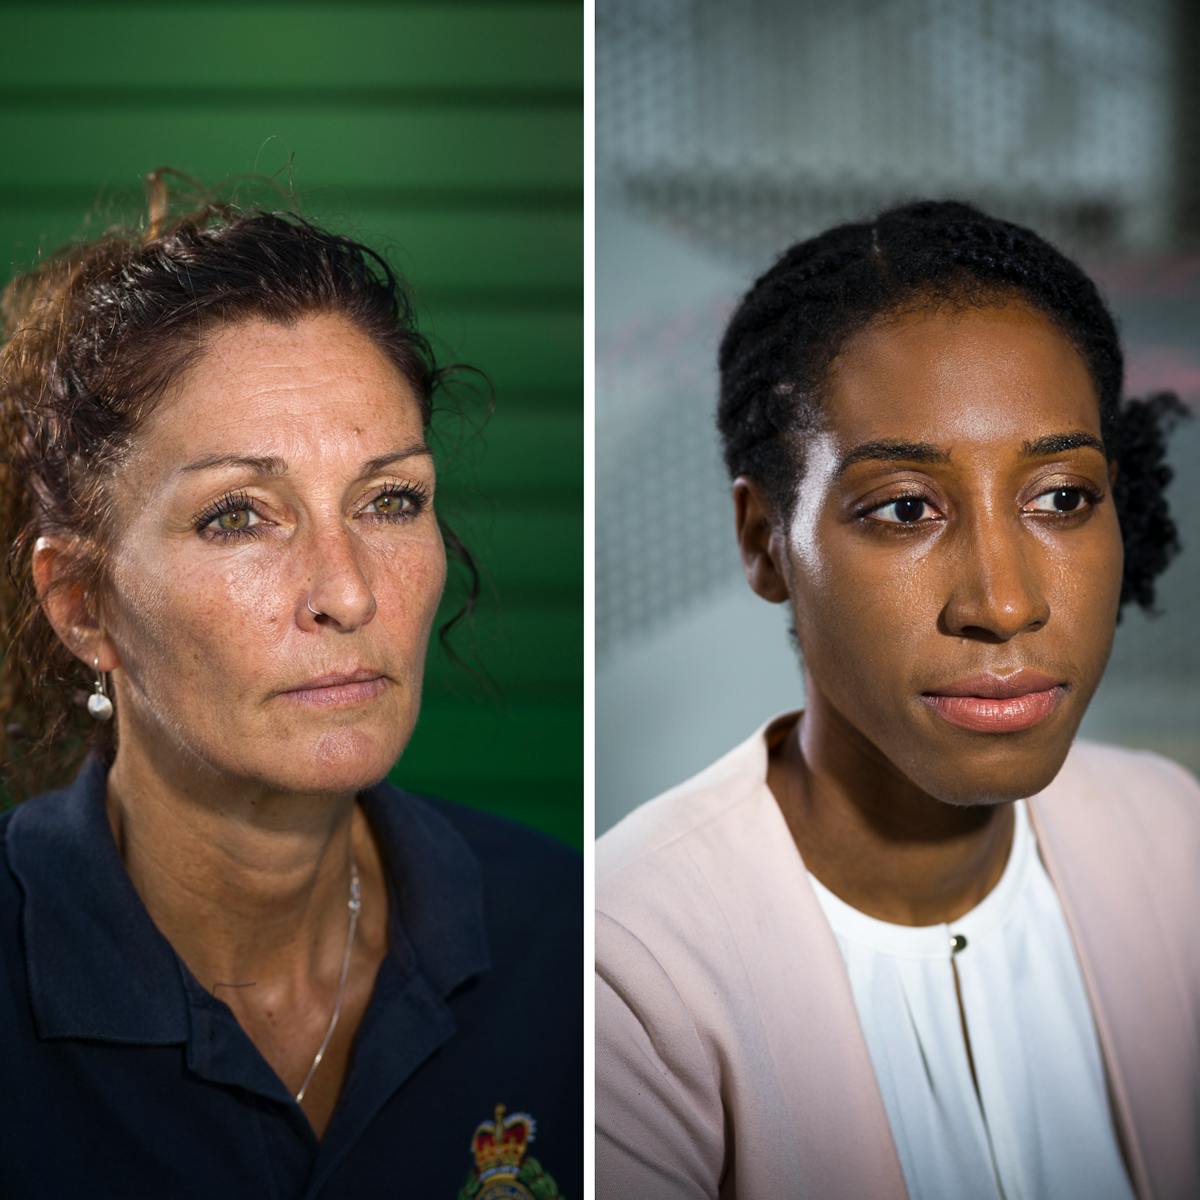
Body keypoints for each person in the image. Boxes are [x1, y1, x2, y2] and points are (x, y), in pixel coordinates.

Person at [596, 200, 1199, 1200]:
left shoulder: (1172, 841)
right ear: (764, 542)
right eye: (905, 509)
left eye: (1062, 497)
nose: (1004, 604)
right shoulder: (630, 975)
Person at [0, 181, 580, 1198]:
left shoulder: (573, 942)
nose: (348, 592)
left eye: (390, 500)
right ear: (81, 603)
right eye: (239, 517)